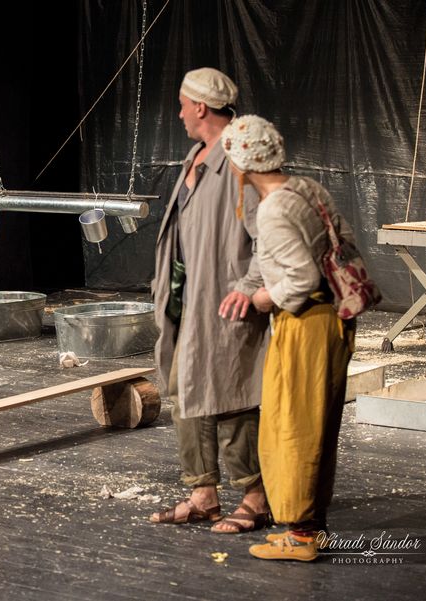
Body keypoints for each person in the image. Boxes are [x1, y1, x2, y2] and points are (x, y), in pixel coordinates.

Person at [220, 115, 355, 561]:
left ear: (242, 163)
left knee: (294, 427)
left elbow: (301, 277)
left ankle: (300, 537)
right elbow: (341, 243)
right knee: (314, 425)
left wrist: (263, 297)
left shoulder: (274, 209)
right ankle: (313, 527)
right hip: (331, 317)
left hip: (307, 323)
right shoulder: (306, 189)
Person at [149, 69, 271, 533]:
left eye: (183, 105)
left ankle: (256, 495)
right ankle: (203, 493)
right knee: (184, 390)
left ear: (200, 107)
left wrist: (247, 286)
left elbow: (269, 234)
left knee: (232, 395)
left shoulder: (240, 159)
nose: (180, 113)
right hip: (188, 298)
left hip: (224, 299)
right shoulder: (195, 156)